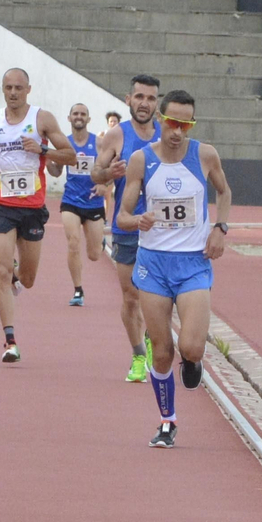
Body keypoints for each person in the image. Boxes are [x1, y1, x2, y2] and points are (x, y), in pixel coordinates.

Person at [116, 88, 233, 449]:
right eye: (172, 123)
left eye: (186, 124)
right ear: (161, 120)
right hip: (153, 265)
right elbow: (121, 215)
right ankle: (167, 421)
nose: (178, 131)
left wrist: (220, 228)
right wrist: (138, 220)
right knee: (163, 350)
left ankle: (193, 361)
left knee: (192, 347)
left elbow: (225, 193)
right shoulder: (140, 160)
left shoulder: (205, 156)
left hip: (193, 264)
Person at [0, 68, 79, 362]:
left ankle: (15, 276)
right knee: (0, 269)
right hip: (1, 205)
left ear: (28, 90)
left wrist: (43, 149)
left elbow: (70, 155)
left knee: (29, 278)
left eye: (18, 88)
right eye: (8, 87)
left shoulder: (42, 119)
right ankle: (10, 341)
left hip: (33, 208)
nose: (13, 93)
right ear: (3, 89)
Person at [92, 74, 161, 382]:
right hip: (128, 227)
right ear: (128, 99)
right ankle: (137, 354)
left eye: (150, 98)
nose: (144, 103)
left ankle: (153, 332)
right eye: (139, 97)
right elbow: (96, 174)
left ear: (157, 104)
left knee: (158, 296)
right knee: (131, 295)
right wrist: (109, 171)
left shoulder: (167, 134)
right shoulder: (116, 135)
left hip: (162, 230)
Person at [59, 101, 103, 307]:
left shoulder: (99, 143)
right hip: (71, 201)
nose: (79, 117)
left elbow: (111, 170)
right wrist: (51, 160)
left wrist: (106, 186)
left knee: (94, 255)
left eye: (83, 114)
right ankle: (78, 290)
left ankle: (99, 241)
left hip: (93, 202)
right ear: (69, 118)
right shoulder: (64, 144)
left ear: (88, 119)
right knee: (73, 242)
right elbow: (55, 172)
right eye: (75, 113)